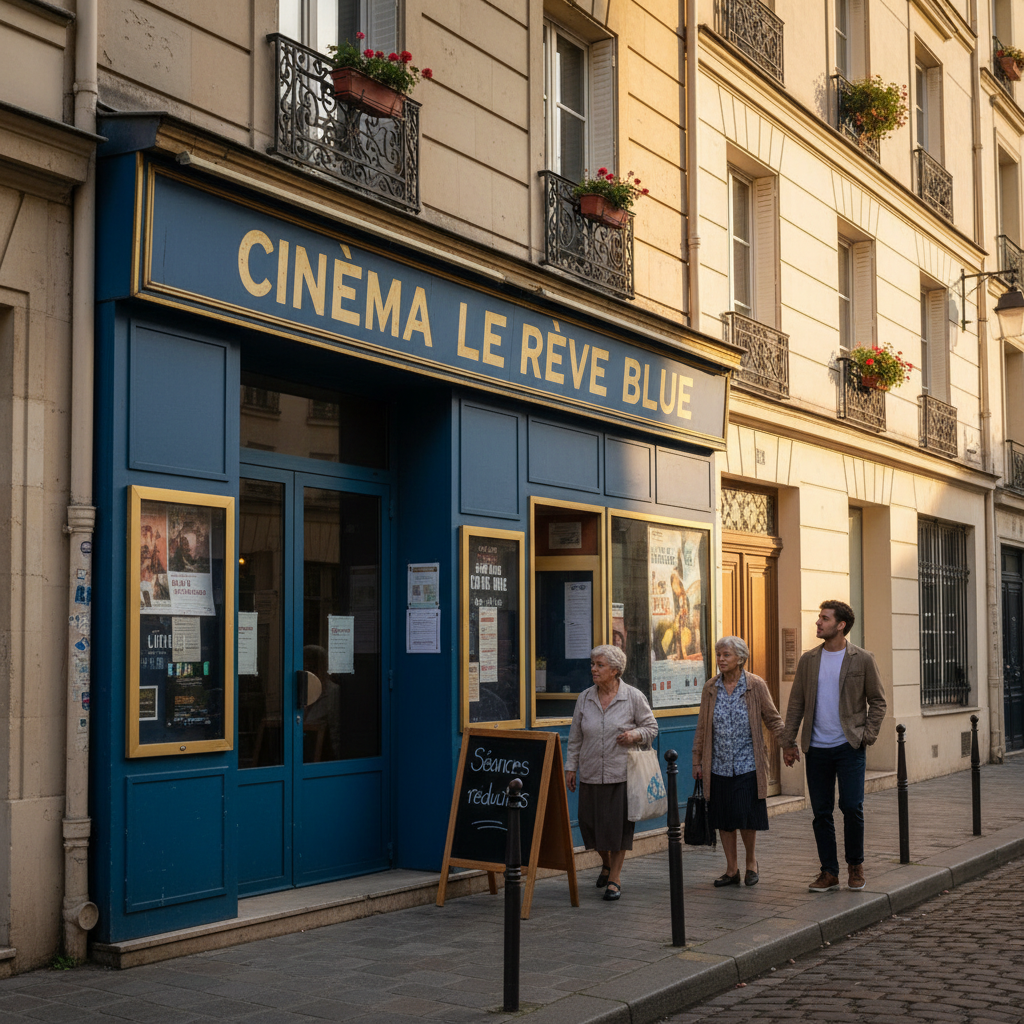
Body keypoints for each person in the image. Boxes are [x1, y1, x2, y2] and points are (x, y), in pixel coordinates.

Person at [781, 600, 887, 893]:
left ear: (840, 625)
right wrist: (788, 742)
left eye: (824, 619)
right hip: (816, 749)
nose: (818, 622)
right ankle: (829, 871)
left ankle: (855, 865)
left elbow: (878, 700)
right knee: (821, 812)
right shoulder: (809, 660)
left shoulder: (862, 658)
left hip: (849, 746)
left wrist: (867, 734)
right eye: (819, 618)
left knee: (852, 807)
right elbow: (796, 704)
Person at [565, 644, 658, 902]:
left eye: (600, 665)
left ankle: (615, 878)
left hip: (621, 774)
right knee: (592, 829)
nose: (593, 669)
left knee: (617, 831)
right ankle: (605, 863)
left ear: (615, 670)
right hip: (592, 773)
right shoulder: (585, 698)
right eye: (593, 664)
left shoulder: (633, 697)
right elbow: (575, 738)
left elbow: (651, 727)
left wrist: (634, 734)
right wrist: (570, 767)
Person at [691, 636, 785, 887]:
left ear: (741, 659)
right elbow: (702, 726)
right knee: (723, 818)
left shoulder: (755, 685)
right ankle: (731, 869)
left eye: (726, 655)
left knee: (746, 816)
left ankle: (751, 863)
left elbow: (773, 719)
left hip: (747, 763)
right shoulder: (711, 688)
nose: (720, 660)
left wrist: (788, 743)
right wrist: (697, 761)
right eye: (719, 655)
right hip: (718, 764)